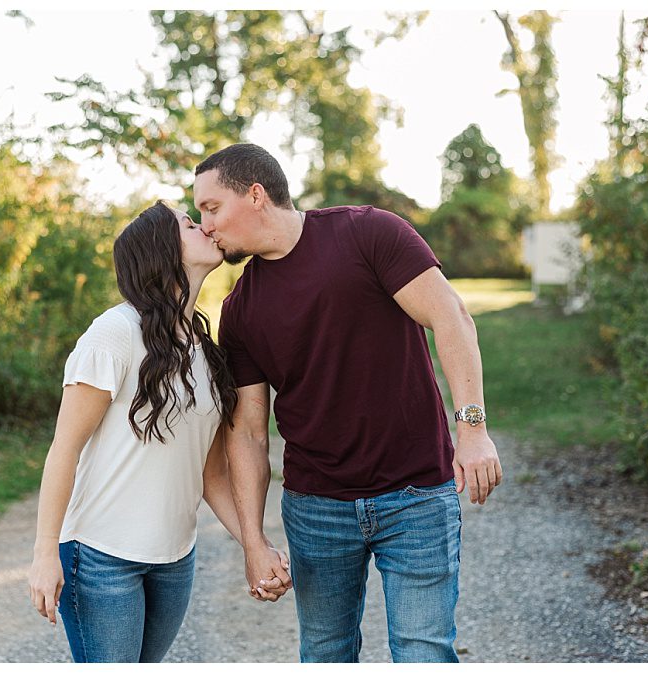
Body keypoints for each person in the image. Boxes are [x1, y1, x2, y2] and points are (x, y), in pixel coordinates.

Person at [193, 143, 503, 663]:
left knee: (424, 653)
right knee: (326, 654)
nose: (206, 226)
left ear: (255, 194)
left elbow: (451, 317)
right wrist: (252, 540)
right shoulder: (240, 311)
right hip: (316, 508)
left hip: (417, 495)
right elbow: (246, 432)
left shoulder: (368, 233)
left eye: (211, 208)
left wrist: (472, 430)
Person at [26, 201, 288, 663]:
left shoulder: (205, 352)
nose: (206, 226)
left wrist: (256, 545)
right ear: (162, 249)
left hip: (174, 561)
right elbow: (63, 449)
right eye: (190, 223)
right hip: (100, 558)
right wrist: (46, 554)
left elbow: (211, 477)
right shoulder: (115, 333)